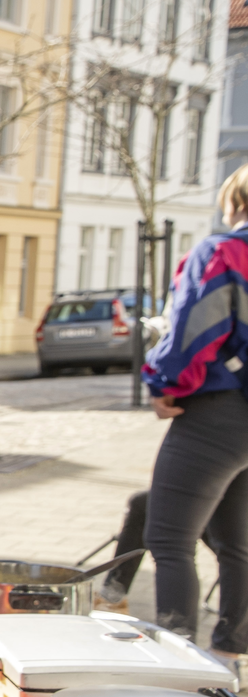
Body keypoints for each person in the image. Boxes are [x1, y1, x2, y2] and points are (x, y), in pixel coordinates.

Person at [141, 164, 248, 666]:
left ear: (236, 200)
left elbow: (193, 332)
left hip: (218, 414)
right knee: (237, 542)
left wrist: (163, 384)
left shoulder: (223, 252)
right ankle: (230, 658)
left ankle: (177, 672)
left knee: (169, 539)